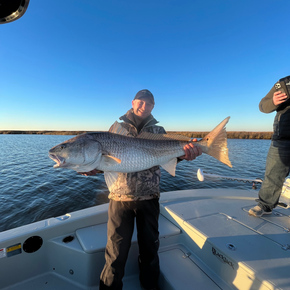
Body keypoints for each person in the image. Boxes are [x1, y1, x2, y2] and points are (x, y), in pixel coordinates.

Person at [82, 89, 202, 289]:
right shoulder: (115, 129)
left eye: (149, 103)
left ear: (153, 107)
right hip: (120, 199)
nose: (144, 106)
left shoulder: (159, 132)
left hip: (149, 198)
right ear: (133, 102)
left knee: (150, 250)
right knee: (115, 253)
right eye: (141, 102)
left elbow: (168, 156)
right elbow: (98, 159)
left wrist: (184, 154)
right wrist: (87, 168)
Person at [249, 77, 290, 217]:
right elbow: (262, 105)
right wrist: (273, 102)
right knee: (273, 174)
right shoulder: (284, 83)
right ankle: (265, 205)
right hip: (282, 138)